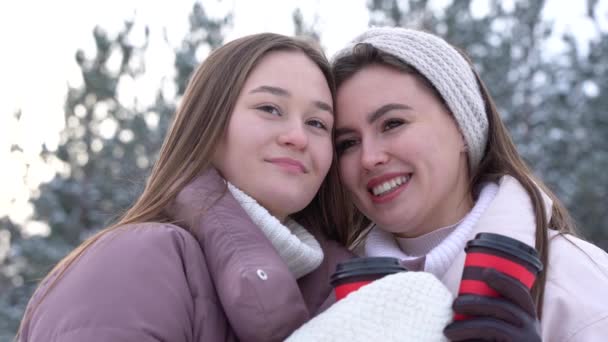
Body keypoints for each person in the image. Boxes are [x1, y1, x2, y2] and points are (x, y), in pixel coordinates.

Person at [17, 32, 354, 342]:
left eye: (317, 123)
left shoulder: (345, 293)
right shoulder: (137, 260)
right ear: (208, 124)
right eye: (269, 108)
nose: (297, 137)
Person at [331, 27, 608, 341]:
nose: (369, 157)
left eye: (393, 123)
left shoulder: (572, 278)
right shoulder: (330, 298)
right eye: (347, 143)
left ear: (462, 127)